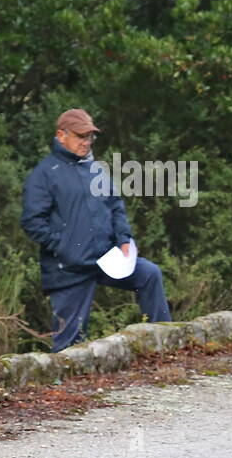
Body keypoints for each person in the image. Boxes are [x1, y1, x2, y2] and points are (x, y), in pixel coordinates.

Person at [21, 109, 172, 351]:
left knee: (149, 274)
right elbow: (32, 222)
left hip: (106, 258)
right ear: (61, 135)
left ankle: (166, 345)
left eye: (89, 137)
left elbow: (115, 206)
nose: (86, 143)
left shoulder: (95, 169)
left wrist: (124, 240)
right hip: (69, 269)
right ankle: (66, 386)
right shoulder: (43, 175)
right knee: (69, 346)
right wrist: (65, 247)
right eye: (80, 136)